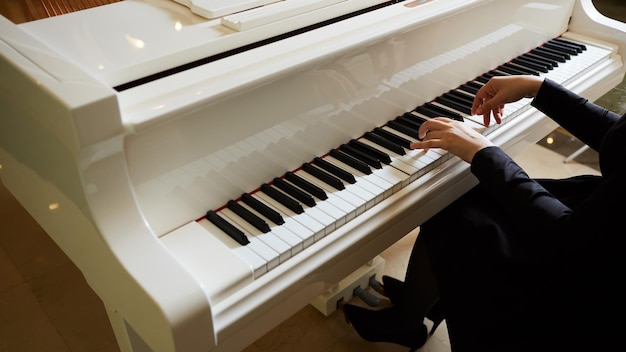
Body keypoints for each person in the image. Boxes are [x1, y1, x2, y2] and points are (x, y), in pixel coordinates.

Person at [343, 75, 626, 351]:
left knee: (452, 207)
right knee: (463, 196)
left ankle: (410, 321)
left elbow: (565, 239)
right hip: (604, 207)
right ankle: (420, 300)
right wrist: (539, 88)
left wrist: (483, 151)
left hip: (586, 266)